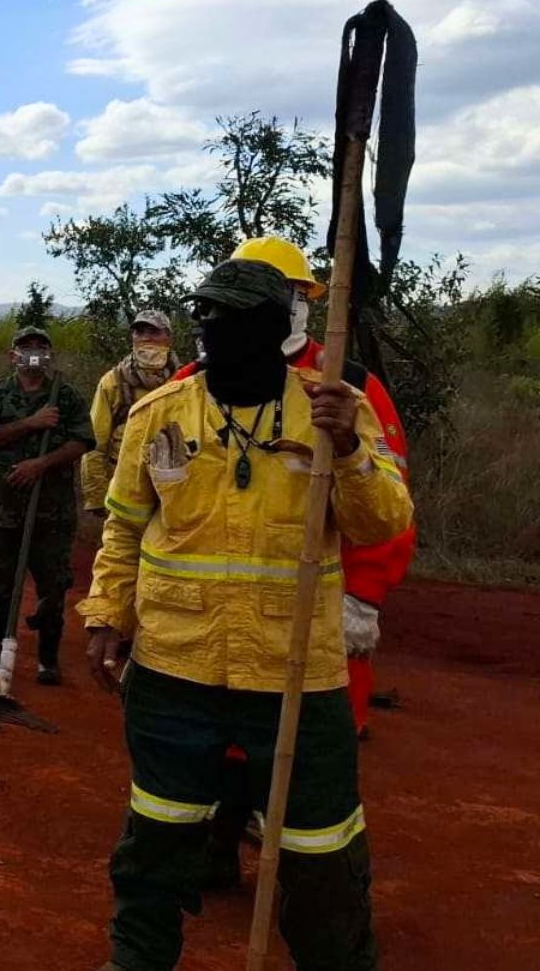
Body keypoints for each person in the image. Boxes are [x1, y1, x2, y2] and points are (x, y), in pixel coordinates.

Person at [77, 259, 412, 971]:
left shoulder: (331, 408)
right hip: (174, 671)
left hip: (295, 679)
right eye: (204, 314)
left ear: (276, 328)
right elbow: (125, 527)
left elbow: (383, 522)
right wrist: (108, 612)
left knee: (321, 857)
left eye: (229, 316)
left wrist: (349, 450)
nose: (209, 329)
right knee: (158, 846)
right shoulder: (159, 414)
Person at [0, 326, 95, 685]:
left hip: (51, 512)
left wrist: (41, 464)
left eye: (41, 346)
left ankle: (47, 660)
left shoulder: (65, 396)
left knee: (53, 589)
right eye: (26, 347)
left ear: (50, 355)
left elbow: (83, 441)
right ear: (13, 355)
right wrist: (31, 423)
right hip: (3, 510)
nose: (33, 352)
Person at [83, 310, 179, 519]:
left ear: (168, 337)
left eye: (154, 332)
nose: (146, 338)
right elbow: (94, 444)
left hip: (175, 488)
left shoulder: (185, 380)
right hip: (123, 487)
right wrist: (96, 496)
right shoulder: (113, 382)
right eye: (139, 332)